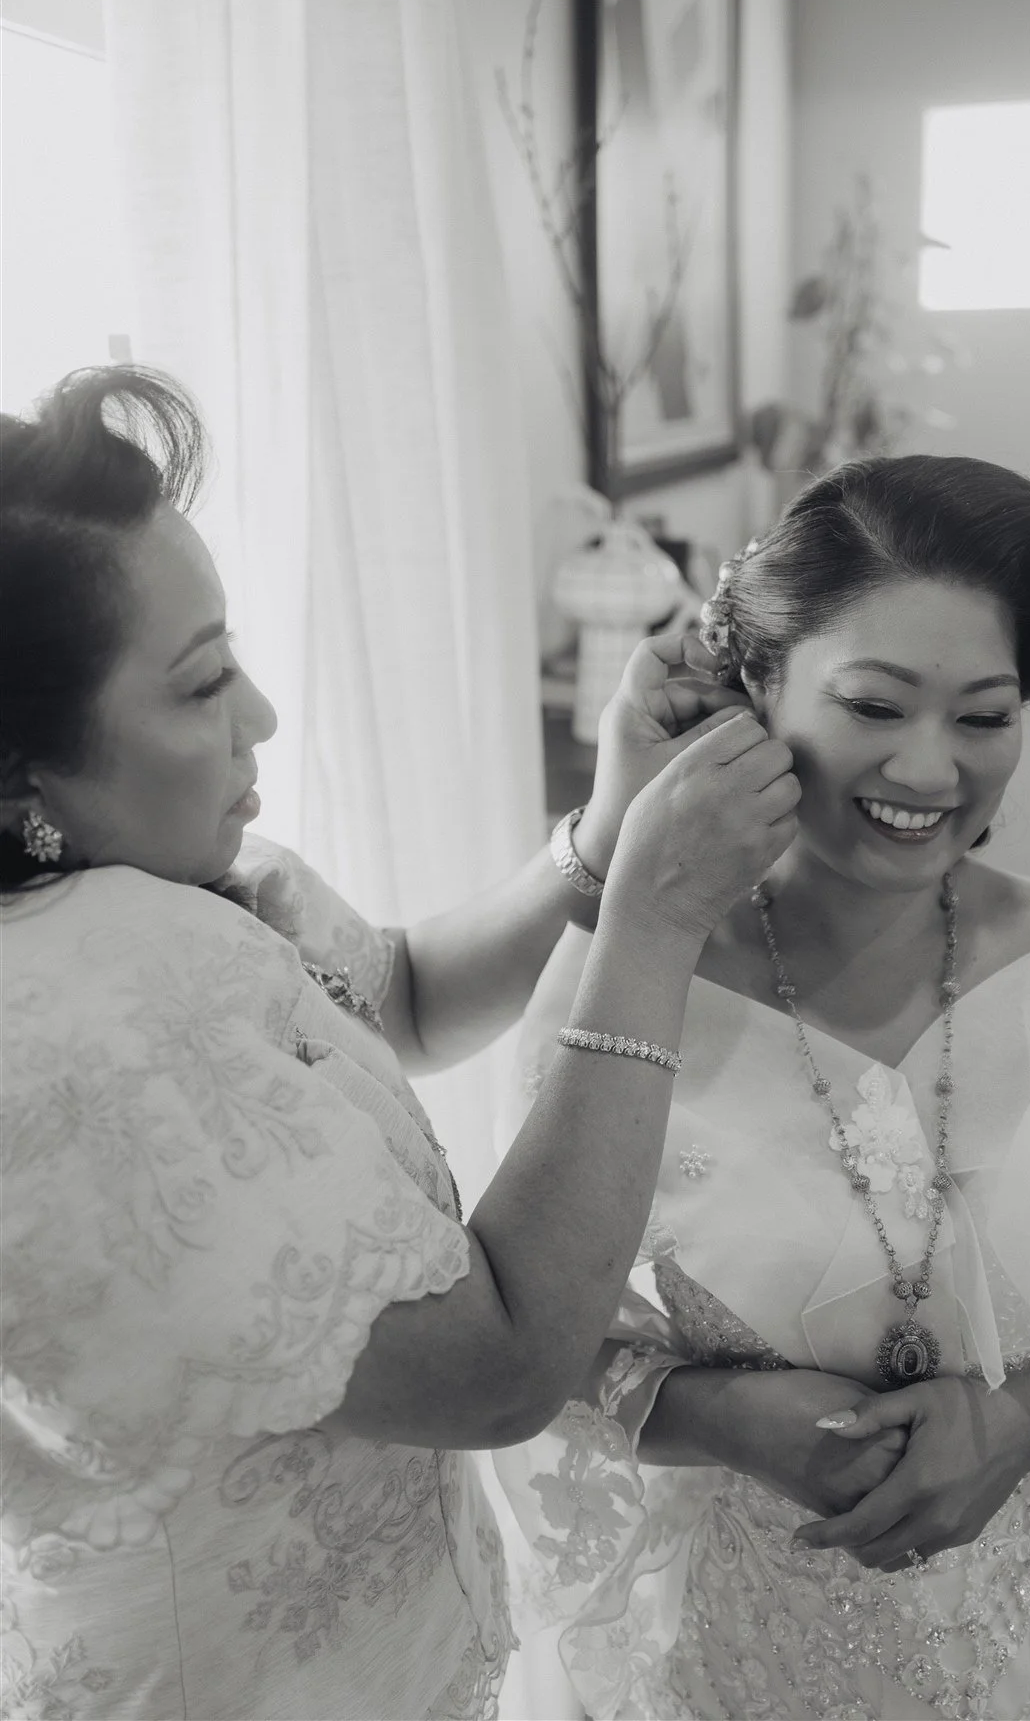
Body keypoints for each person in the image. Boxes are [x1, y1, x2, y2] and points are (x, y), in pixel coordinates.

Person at [497, 455, 1030, 1721]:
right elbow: (538, 1345)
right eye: (872, 703)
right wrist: (724, 1418)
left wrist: (1023, 1421)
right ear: (754, 691)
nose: (928, 769)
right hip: (740, 1659)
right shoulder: (623, 982)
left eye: (981, 715)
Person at [0, 367, 801, 1721]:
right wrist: (652, 924)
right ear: (21, 775)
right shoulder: (69, 1036)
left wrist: (598, 841)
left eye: (232, 654)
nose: (258, 715)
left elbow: (401, 995)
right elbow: (497, 1363)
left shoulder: (170, 876)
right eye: (200, 688)